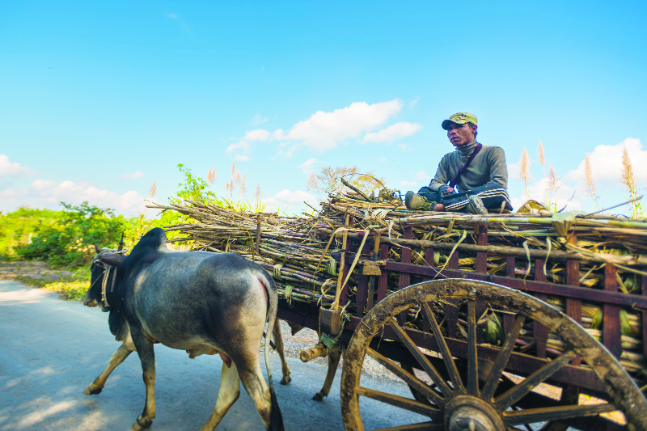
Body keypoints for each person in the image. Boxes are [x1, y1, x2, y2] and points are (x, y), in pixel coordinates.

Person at [405, 112, 512, 215]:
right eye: (450, 129)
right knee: (424, 192)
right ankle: (466, 208)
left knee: (499, 190)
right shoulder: (448, 158)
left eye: (459, 126)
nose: (453, 131)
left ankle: (439, 207)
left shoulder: (493, 152)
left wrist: (466, 197)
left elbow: (499, 184)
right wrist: (442, 188)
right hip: (459, 198)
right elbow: (435, 183)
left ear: (473, 129)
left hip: (486, 201)